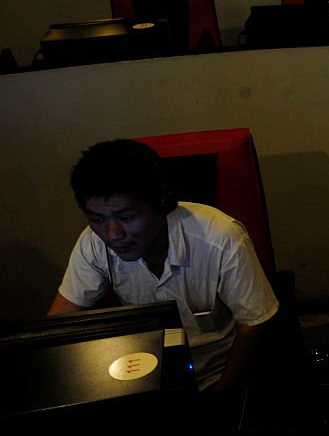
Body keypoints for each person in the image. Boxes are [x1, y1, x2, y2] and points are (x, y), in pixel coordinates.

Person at [48, 139, 279, 392]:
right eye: (97, 219)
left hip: (214, 374)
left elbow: (254, 323)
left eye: (126, 217)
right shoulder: (93, 242)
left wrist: (225, 393)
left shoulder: (220, 239)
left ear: (162, 203)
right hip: (141, 375)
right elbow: (61, 320)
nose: (112, 234)